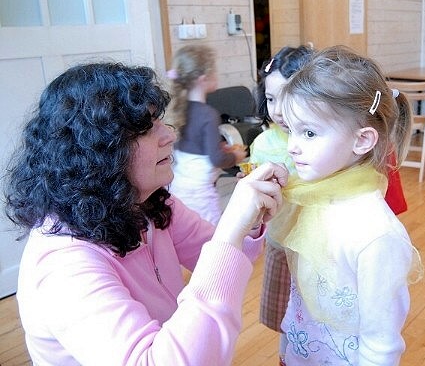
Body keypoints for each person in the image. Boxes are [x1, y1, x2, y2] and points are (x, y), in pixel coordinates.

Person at [3, 62, 288, 365]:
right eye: (146, 129)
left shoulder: (150, 205)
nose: (169, 135)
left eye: (159, 121)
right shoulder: (64, 263)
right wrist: (231, 225)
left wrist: (247, 220)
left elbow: (225, 255)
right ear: (99, 152)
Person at [271, 46, 423, 365]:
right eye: (291, 131)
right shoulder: (308, 196)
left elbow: (381, 343)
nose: (293, 146)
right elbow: (299, 299)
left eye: (309, 133)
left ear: (362, 140)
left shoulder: (377, 235)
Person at [249, 45, 314, 366]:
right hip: (281, 241)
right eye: (271, 99)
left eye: (287, 98)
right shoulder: (263, 144)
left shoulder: (323, 140)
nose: (277, 110)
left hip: (318, 247)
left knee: (319, 314)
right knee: (287, 315)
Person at [167, 44, 246, 226]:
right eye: (215, 71)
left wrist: (219, 146)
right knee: (209, 233)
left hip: (178, 187)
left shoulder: (179, 109)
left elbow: (195, 146)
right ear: (203, 78)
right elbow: (216, 159)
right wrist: (236, 156)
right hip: (200, 193)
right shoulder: (208, 114)